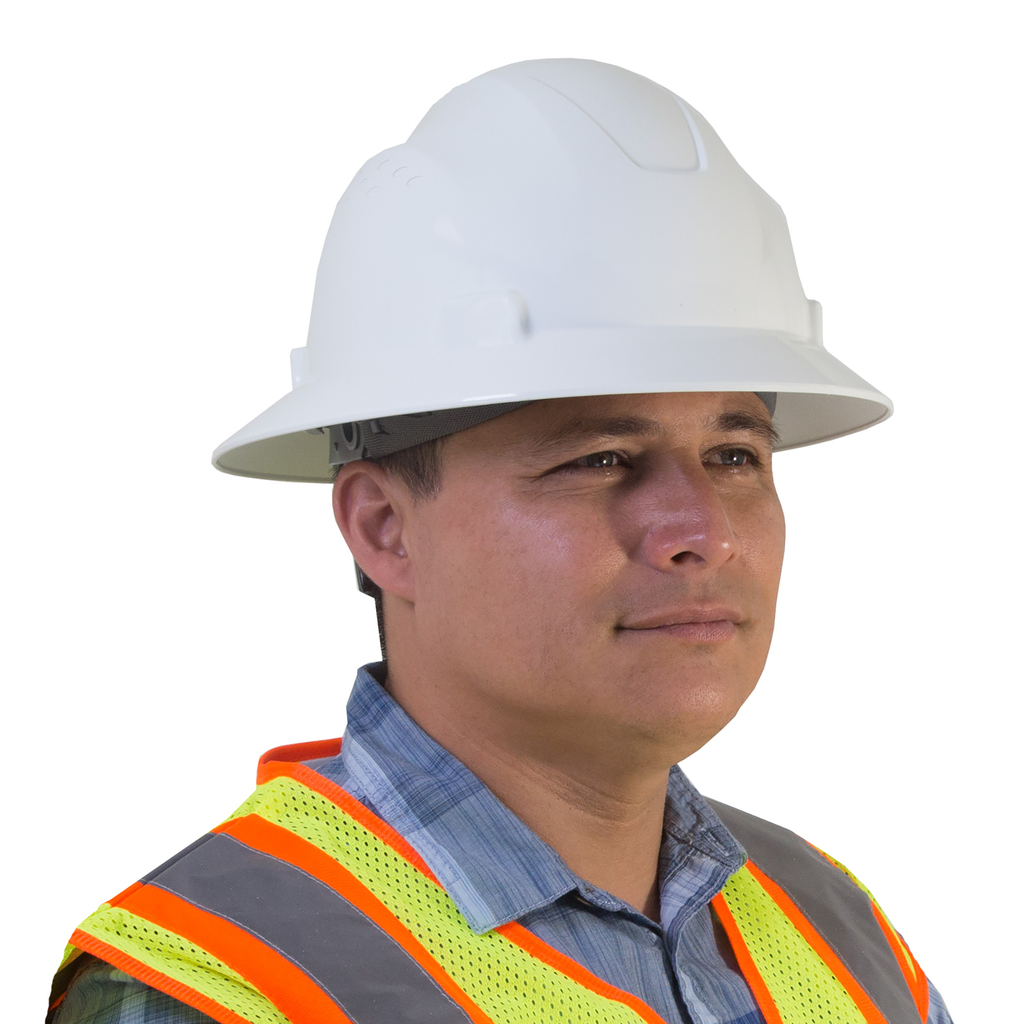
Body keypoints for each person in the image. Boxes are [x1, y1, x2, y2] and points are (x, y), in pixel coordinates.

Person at [47, 58, 953, 1024]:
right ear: (384, 529)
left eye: (734, 455)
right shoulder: (225, 986)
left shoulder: (840, 937)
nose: (703, 534)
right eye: (601, 458)